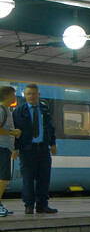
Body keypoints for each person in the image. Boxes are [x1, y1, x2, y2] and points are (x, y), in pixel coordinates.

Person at [13, 84, 58, 214]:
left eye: (34, 94)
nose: (31, 96)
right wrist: (15, 148)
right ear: (25, 96)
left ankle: (42, 205)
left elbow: (50, 128)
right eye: (28, 94)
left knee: (44, 179)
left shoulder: (45, 110)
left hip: (43, 149)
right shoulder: (19, 111)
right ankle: (29, 206)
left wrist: (53, 143)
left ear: (38, 95)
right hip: (27, 150)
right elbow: (16, 131)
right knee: (28, 179)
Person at [0, 85, 22, 216]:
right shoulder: (1, 110)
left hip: (5, 148)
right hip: (1, 148)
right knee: (3, 177)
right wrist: (12, 132)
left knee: (3, 177)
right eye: (13, 95)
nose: (15, 97)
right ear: (8, 96)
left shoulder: (6, 111)